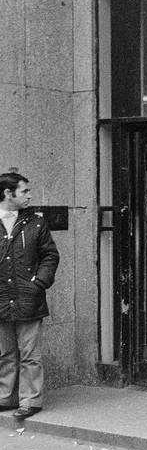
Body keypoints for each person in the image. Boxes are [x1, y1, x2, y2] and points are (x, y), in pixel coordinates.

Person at [0, 172, 60, 420]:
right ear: (7, 193)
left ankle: (30, 400)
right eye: (24, 191)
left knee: (29, 354)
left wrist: (40, 282)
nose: (29, 195)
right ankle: (6, 397)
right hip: (2, 296)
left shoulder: (35, 223)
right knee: (4, 353)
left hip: (29, 297)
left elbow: (50, 255)